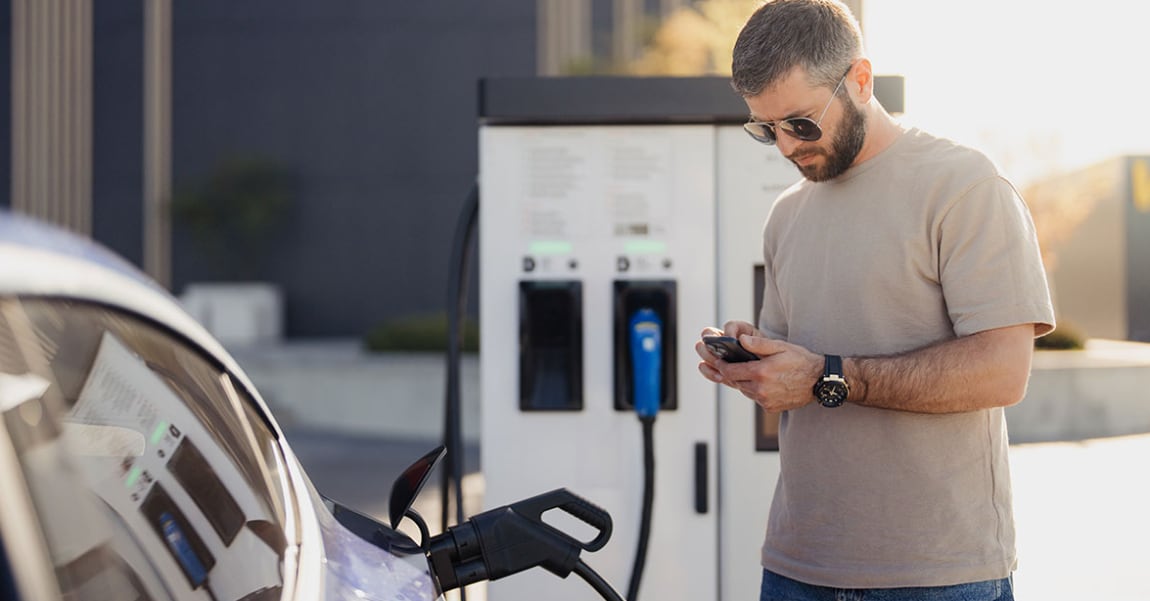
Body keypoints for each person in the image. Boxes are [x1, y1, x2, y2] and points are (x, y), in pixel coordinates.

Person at [694, 1, 1056, 600]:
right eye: (766, 128)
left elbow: (1003, 372)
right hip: (796, 567)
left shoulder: (964, 186)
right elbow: (795, 380)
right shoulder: (787, 215)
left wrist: (829, 377)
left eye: (801, 122)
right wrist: (757, 365)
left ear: (860, 79)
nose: (785, 146)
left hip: (937, 575)